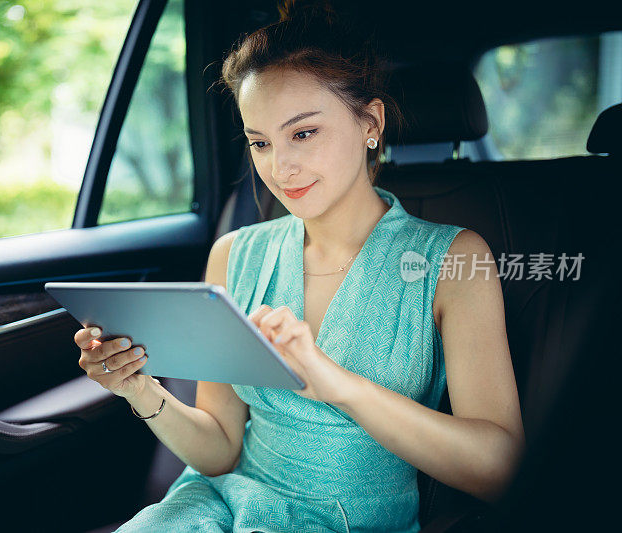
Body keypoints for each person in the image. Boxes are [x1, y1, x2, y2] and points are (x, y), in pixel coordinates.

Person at [73, 0, 525, 531]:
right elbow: (219, 450)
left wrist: (337, 384)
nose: (279, 167)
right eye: (259, 143)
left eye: (303, 133)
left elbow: (500, 469)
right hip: (214, 508)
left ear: (370, 123)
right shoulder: (234, 255)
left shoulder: (452, 259)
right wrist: (141, 390)